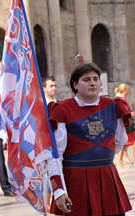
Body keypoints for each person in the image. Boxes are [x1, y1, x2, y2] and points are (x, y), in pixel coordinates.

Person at [47, 63, 132, 216]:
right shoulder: (62, 109)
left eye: (95, 79)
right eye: (86, 79)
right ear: (75, 85)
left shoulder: (113, 106)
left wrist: (100, 157)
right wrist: (59, 190)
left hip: (107, 178)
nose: (92, 83)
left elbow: (119, 141)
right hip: (75, 181)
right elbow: (55, 154)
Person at [42, 76, 57, 211]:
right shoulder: (40, 106)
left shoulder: (60, 104)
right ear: (44, 88)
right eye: (51, 86)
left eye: (54, 86)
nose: (54, 88)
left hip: (59, 144)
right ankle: (47, 199)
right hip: (46, 144)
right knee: (48, 173)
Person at [115, 84, 135, 166]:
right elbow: (122, 112)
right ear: (125, 90)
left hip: (128, 122)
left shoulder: (123, 98)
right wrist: (131, 114)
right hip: (124, 123)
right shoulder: (119, 99)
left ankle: (119, 160)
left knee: (124, 142)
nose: (129, 91)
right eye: (128, 89)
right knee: (124, 142)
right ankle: (119, 160)